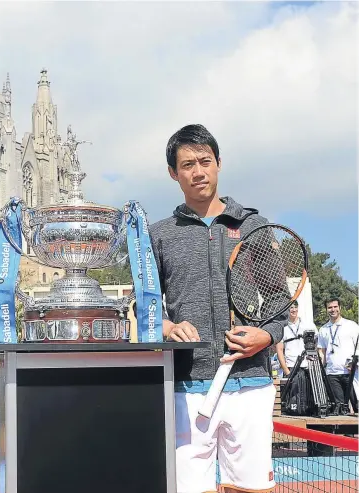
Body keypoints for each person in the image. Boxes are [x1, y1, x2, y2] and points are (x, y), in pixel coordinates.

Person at [149, 124, 285, 493]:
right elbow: (142, 305)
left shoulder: (253, 225)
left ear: (219, 164)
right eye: (188, 164)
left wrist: (267, 334)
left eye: (205, 161)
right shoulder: (159, 234)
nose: (198, 171)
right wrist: (165, 327)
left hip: (251, 383)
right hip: (186, 387)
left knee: (252, 489)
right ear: (173, 173)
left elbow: (277, 300)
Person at [317, 298, 359, 410]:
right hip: (332, 374)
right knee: (339, 408)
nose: (333, 309)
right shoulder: (323, 329)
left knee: (357, 405)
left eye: (335, 307)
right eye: (330, 307)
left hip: (350, 372)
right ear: (326, 310)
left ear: (340, 308)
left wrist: (355, 363)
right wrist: (321, 367)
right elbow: (322, 351)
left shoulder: (351, 325)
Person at [276, 300, 317, 376]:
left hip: (309, 366)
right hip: (291, 366)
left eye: (295, 307)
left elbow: (317, 343)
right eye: (291, 308)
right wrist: (286, 371)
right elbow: (279, 350)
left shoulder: (308, 324)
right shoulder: (282, 327)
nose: (294, 310)